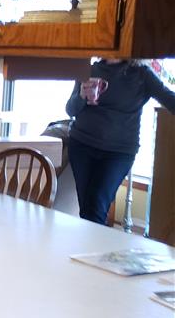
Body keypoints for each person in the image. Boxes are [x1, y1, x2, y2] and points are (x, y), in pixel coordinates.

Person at [66, 59, 175, 225]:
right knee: (87, 208)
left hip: (119, 152)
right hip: (81, 145)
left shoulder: (142, 74)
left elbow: (169, 99)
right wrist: (81, 94)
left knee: (97, 205)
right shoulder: (89, 70)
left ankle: (92, 248)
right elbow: (70, 110)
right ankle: (92, 248)